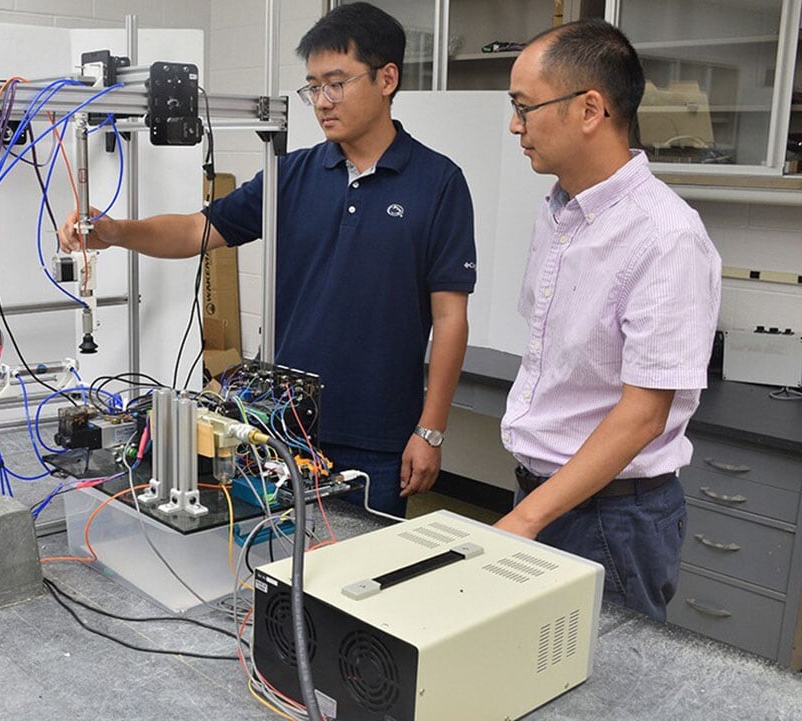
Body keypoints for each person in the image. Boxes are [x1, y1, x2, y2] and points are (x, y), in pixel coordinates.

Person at [58, 2, 476, 517]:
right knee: (268, 567)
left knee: (354, 582)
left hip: (379, 433)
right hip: (279, 423)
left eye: (336, 83)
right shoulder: (291, 175)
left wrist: (429, 430)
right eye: (313, 87)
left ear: (387, 78)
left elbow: (450, 318)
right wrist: (117, 232)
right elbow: (197, 228)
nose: (321, 101)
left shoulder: (438, 183)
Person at [497, 19, 722, 620]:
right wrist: (531, 506)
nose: (515, 125)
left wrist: (526, 518)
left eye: (524, 107)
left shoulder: (666, 236)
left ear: (589, 109)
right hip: (546, 496)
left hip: (612, 520)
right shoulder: (560, 211)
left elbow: (643, 414)